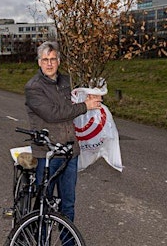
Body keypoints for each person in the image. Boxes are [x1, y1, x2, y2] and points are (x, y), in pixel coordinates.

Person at [24, 41, 102, 224]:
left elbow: (79, 98)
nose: (49, 63)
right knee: (44, 205)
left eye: (53, 59)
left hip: (70, 152)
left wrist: (92, 96)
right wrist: (85, 106)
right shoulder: (33, 87)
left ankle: (69, 242)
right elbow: (52, 114)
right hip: (47, 153)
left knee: (68, 204)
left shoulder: (68, 82)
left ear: (59, 61)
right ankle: (42, 242)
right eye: (45, 60)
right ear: (39, 62)